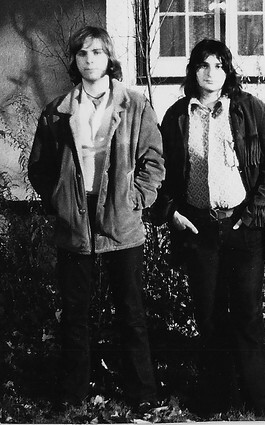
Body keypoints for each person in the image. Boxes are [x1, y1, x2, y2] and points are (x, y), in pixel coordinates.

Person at [28, 26, 164, 411]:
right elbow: (40, 168)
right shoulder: (57, 111)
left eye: (97, 53)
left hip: (121, 219)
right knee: (75, 313)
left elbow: (153, 161)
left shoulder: (134, 105)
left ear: (109, 58)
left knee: (131, 312)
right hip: (75, 220)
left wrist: (136, 199)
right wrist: (60, 202)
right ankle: (73, 395)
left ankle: (143, 395)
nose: (90, 60)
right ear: (74, 60)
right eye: (83, 53)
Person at [151, 39, 265, 415]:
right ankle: (218, 399)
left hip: (244, 225)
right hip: (198, 228)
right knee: (208, 316)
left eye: (219, 65)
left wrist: (252, 214)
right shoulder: (178, 116)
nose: (211, 73)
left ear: (228, 71)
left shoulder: (249, 110)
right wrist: (171, 214)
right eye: (204, 65)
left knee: (247, 314)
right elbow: (162, 172)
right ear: (193, 71)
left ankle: (259, 402)